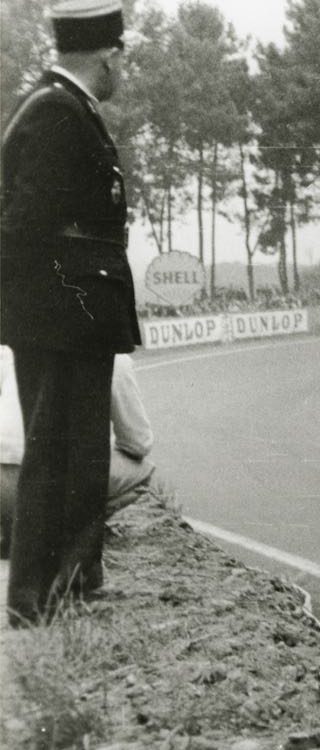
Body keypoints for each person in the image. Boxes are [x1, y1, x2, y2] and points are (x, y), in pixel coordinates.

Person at [0, 0, 141, 626]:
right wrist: (71, 303)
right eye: (122, 59)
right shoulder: (59, 112)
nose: (123, 70)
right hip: (63, 319)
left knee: (75, 449)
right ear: (106, 54)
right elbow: (28, 230)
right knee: (63, 450)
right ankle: (44, 593)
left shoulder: (60, 106)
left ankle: (68, 582)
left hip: (66, 316)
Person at [1, 349, 157, 561]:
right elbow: (138, 444)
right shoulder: (114, 357)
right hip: (44, 488)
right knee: (143, 471)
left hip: (3, 488)